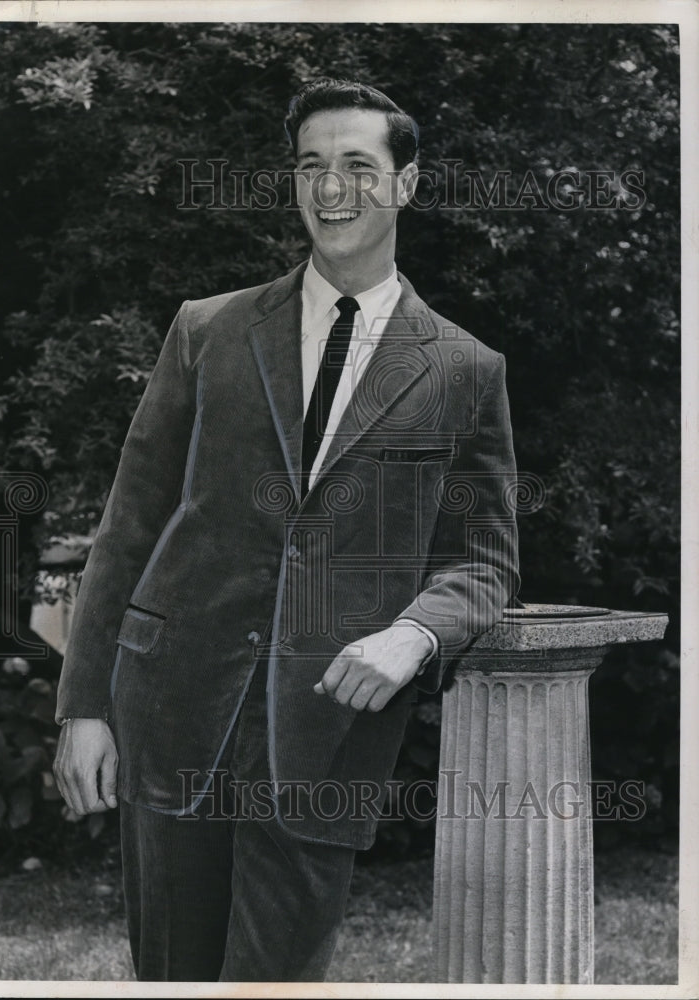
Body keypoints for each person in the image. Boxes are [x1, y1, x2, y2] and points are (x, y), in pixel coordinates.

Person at [54, 77, 519, 983]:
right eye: (312, 166)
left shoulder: (466, 369)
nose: (332, 189)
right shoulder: (208, 329)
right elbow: (130, 525)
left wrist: (415, 634)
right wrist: (84, 706)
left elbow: (484, 559)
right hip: (174, 709)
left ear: (407, 184)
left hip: (328, 729)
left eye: (357, 165)